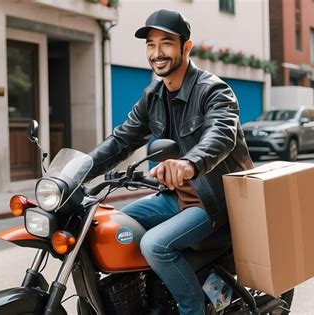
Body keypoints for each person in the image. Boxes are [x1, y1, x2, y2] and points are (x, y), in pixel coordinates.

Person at [88, 9, 254, 315]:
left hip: (213, 202)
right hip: (176, 197)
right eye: (150, 45)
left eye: (166, 43)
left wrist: (189, 163)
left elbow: (221, 134)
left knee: (155, 245)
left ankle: (193, 310)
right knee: (116, 226)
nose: (157, 52)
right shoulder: (154, 96)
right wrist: (78, 171)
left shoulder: (214, 90)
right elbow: (122, 140)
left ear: (185, 47)